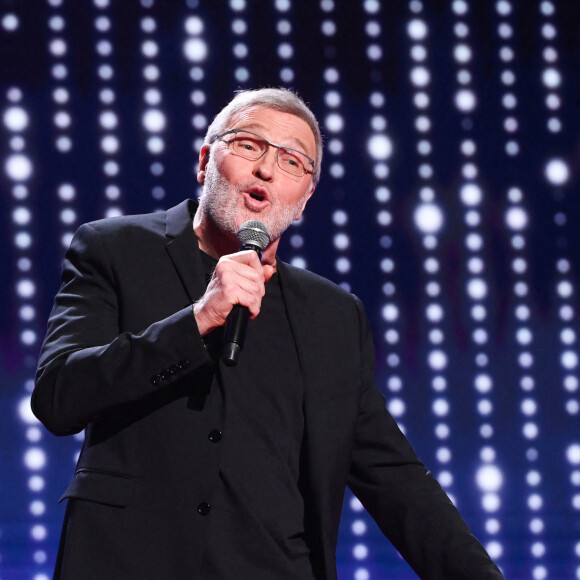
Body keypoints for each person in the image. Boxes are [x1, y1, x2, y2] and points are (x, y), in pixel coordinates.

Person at [33, 87, 504, 580]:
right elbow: (59, 396)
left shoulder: (333, 316)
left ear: (303, 202)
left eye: (293, 161)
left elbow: (395, 478)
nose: (266, 170)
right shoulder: (115, 249)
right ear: (205, 162)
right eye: (249, 146)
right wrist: (196, 320)